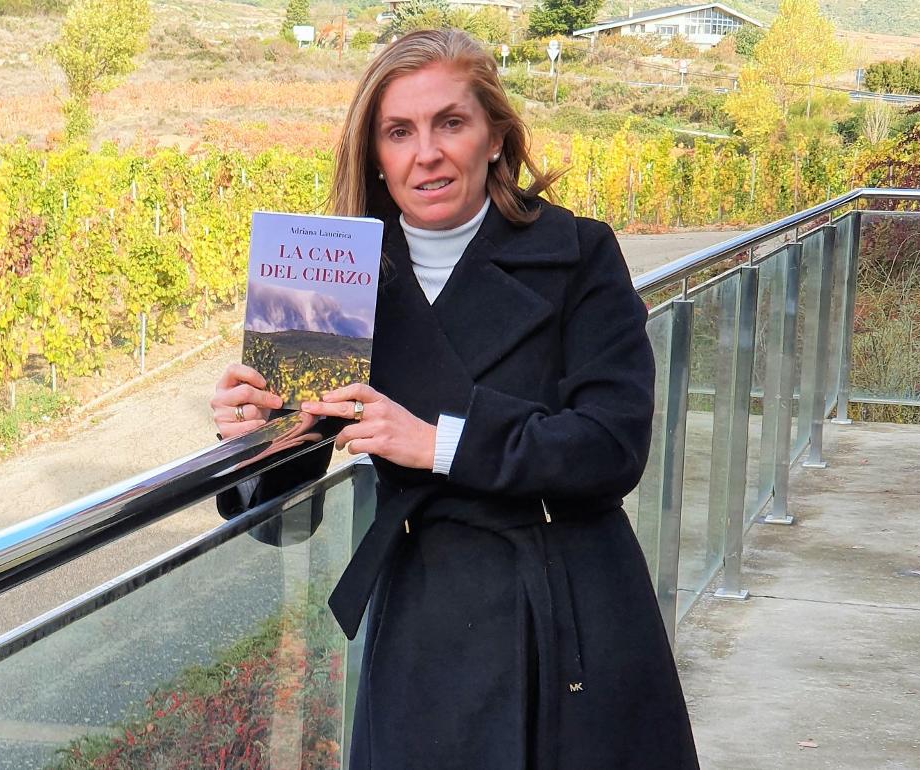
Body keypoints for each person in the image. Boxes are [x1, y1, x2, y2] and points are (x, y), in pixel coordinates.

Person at [210, 28, 699, 770]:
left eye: (451, 123)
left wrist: (438, 442)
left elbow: (613, 444)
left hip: (566, 608)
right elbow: (287, 514)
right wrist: (249, 439)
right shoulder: (331, 275)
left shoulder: (579, 253)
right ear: (374, 153)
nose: (426, 152)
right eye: (398, 131)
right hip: (422, 623)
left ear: (496, 137)